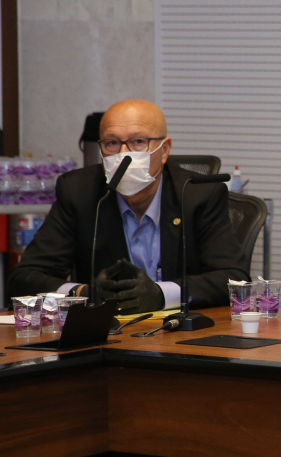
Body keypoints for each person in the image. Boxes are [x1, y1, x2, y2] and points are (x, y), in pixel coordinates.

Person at [8, 99, 248, 313]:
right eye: (112, 143)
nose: (123, 154)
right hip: (109, 339)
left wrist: (160, 294)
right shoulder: (80, 193)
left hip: (181, 336)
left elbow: (232, 279)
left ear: (164, 150)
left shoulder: (198, 194)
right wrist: (84, 293)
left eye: (138, 142)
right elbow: (24, 278)